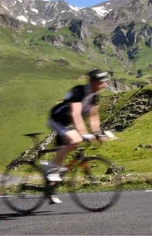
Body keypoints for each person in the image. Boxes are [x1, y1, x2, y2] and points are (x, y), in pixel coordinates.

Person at [44, 68, 110, 204]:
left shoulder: (94, 96)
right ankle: (48, 166)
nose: (104, 85)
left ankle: (50, 190)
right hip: (57, 119)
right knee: (76, 140)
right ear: (94, 82)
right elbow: (75, 114)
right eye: (102, 82)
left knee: (61, 163)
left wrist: (97, 133)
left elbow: (93, 117)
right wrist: (84, 134)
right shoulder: (78, 91)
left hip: (67, 124)